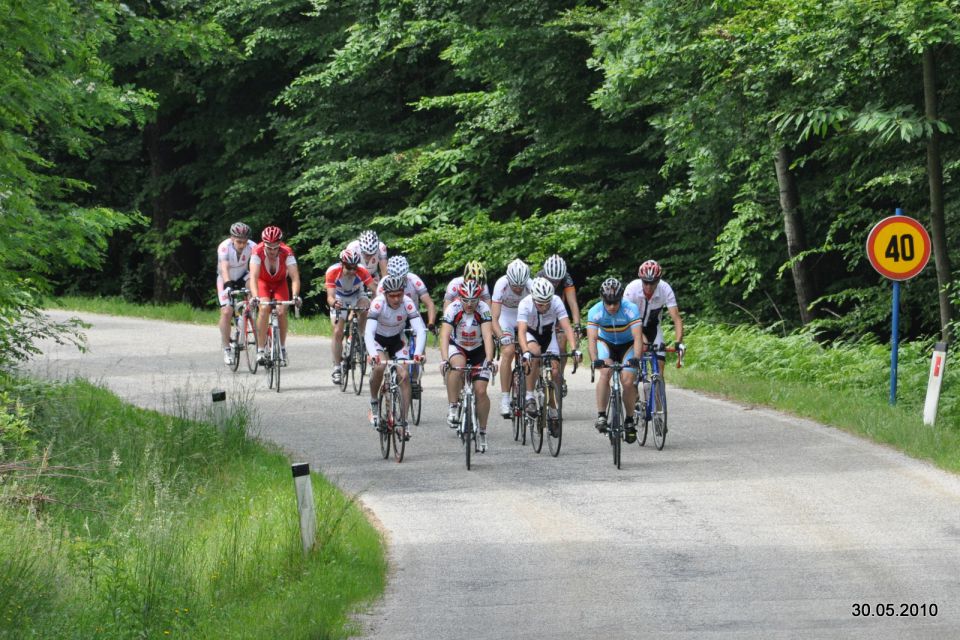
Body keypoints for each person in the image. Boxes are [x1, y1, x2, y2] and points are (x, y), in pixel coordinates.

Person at [516, 277, 581, 432]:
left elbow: (567, 327)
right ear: (533, 298)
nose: (544, 307)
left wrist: (574, 349)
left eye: (547, 303)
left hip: (547, 335)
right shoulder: (525, 304)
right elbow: (522, 332)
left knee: (555, 370)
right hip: (531, 335)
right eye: (540, 303)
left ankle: (553, 410)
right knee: (534, 353)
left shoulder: (557, 301)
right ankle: (529, 396)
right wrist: (525, 352)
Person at [365, 275, 427, 437]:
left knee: (404, 375)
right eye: (392, 295)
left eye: (399, 294)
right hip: (378, 340)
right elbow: (368, 332)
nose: (396, 298)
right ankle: (374, 402)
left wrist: (419, 353)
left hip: (397, 340)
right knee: (379, 366)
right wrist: (372, 354)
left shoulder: (407, 302)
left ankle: (404, 422)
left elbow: (419, 330)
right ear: (385, 294)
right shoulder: (378, 303)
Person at [439, 279, 496, 452]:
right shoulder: (453, 309)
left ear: (479, 298)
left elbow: (487, 336)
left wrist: (490, 360)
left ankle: (483, 432)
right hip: (459, 347)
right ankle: (453, 407)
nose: (469, 304)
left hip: (478, 349)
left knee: (480, 391)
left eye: (473, 300)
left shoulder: (483, 309)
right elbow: (444, 335)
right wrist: (443, 359)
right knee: (458, 365)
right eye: (466, 300)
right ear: (460, 298)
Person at [586, 277, 645, 442]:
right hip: (606, 344)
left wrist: (636, 358)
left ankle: (629, 420)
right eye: (608, 303)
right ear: (602, 300)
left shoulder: (630, 309)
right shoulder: (595, 311)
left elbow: (638, 337)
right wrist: (595, 359)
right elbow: (591, 340)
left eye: (615, 303)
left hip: (627, 345)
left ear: (621, 299)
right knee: (605, 374)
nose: (612, 307)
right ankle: (602, 415)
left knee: (627, 381)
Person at [249, 225, 301, 366]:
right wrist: (255, 296)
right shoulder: (257, 251)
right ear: (264, 244)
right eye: (269, 247)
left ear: (280, 244)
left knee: (281, 311)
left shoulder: (287, 252)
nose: (272, 251)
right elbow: (253, 277)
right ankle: (260, 349)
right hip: (263, 282)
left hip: (280, 283)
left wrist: (295, 296)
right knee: (264, 309)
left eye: (275, 247)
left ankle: (282, 348)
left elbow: (295, 277)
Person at [623, 260, 685, 376]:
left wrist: (678, 341)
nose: (649, 286)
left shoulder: (665, 289)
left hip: (653, 328)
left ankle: (658, 391)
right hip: (634, 327)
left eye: (653, 283)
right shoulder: (632, 288)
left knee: (660, 368)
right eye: (645, 282)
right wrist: (640, 337)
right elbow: (624, 317)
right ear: (641, 279)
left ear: (659, 280)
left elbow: (676, 319)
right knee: (634, 365)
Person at [326, 248, 377, 385]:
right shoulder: (332, 272)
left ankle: (359, 337)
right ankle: (337, 368)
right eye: (349, 267)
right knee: (337, 331)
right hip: (339, 297)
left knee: (366, 307)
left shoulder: (361, 271)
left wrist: (378, 303)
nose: (353, 271)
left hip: (356, 295)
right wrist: (334, 303)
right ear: (342, 264)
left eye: (355, 267)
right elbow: (330, 297)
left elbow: (375, 289)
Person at [490, 259, 531, 417]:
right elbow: (494, 317)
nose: (519, 289)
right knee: (508, 351)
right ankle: (505, 398)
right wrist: (501, 336)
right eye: (515, 286)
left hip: (524, 317)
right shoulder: (501, 284)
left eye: (521, 286)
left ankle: (531, 393)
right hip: (506, 317)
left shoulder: (531, 285)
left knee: (532, 349)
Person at [536, 254, 581, 395]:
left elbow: (573, 304)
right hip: (542, 314)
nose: (555, 284)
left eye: (557, 281)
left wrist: (577, 326)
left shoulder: (566, 279)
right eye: (552, 280)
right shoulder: (539, 277)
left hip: (558, 312)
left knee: (562, 344)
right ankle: (537, 374)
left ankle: (559, 375)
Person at [216, 222, 255, 365]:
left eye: (245, 241)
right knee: (226, 311)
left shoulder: (252, 246)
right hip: (226, 278)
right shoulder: (224, 247)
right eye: (239, 241)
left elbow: (258, 265)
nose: (242, 245)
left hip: (243, 276)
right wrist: (228, 285)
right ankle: (226, 348)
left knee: (254, 289)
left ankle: (247, 315)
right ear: (232, 238)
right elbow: (224, 267)